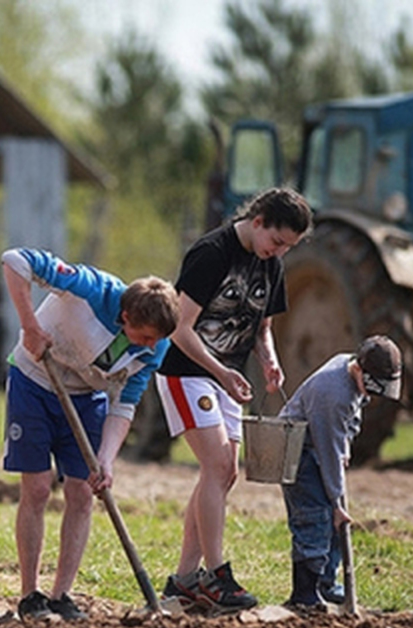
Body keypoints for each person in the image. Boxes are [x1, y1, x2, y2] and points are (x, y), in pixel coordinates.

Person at [154, 187, 312, 615]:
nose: (277, 252)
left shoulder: (271, 263)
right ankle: (216, 574)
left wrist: (269, 361)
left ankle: (184, 581)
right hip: (187, 373)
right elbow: (180, 328)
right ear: (258, 220)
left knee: (223, 477)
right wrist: (221, 371)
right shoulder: (212, 253)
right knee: (217, 466)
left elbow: (262, 326)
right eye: (276, 241)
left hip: (227, 379)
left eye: (287, 248)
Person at [1, 247, 180, 621]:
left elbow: (124, 404)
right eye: (144, 336)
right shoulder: (88, 287)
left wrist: (107, 458)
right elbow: (15, 260)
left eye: (156, 340)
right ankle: (30, 595)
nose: (150, 347)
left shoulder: (155, 346)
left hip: (85, 398)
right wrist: (30, 326)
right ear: (126, 315)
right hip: (33, 380)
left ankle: (61, 594)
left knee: (83, 491)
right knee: (36, 487)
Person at [278, 336, 402, 609]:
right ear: (358, 369)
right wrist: (337, 502)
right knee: (316, 519)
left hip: (317, 446)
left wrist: (345, 444)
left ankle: (325, 584)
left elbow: (348, 422)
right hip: (296, 451)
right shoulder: (332, 395)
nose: (370, 394)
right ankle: (304, 594)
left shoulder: (351, 371)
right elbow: (328, 452)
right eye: (369, 386)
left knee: (334, 524)